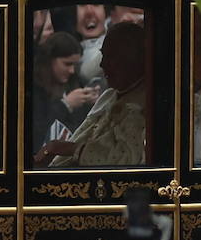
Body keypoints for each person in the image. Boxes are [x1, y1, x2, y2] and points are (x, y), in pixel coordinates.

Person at [48, 21, 149, 167]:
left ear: (134, 58)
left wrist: (73, 149)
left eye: (112, 57)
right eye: (103, 55)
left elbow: (127, 160)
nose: (102, 64)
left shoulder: (144, 103)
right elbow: (78, 139)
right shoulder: (108, 97)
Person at [31, 31, 96, 162]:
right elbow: (36, 132)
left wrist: (93, 103)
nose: (72, 71)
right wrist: (65, 105)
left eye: (75, 65)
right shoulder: (34, 89)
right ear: (50, 60)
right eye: (67, 64)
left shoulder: (75, 83)